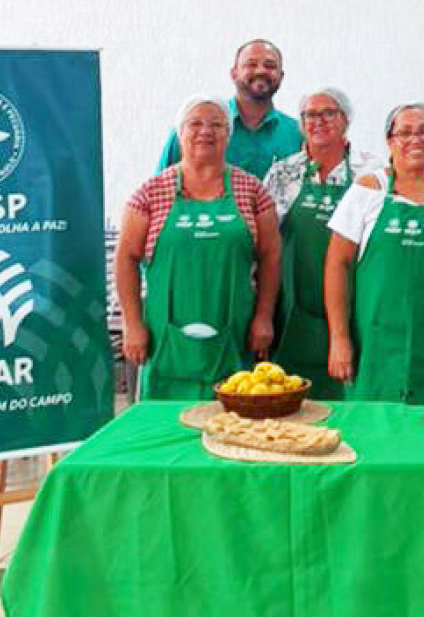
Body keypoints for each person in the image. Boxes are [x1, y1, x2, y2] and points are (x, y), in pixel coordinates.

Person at [116, 96, 280, 400]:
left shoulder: (252, 190)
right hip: (164, 340)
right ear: (180, 134)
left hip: (234, 334)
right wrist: (132, 324)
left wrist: (264, 316)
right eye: (196, 124)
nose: (206, 131)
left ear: (228, 135)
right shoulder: (150, 193)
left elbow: (271, 257)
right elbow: (125, 258)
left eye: (217, 125)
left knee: (234, 426)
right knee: (164, 429)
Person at [324, 103, 424, 403]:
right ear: (389, 140)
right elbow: (336, 264)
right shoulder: (369, 189)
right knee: (373, 425)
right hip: (375, 336)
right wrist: (339, 338)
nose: (415, 140)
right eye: (404, 133)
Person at [262, 87, 381, 399]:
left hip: (355, 304)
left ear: (346, 120)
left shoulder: (371, 173)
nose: (319, 121)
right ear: (300, 124)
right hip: (292, 308)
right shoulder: (283, 173)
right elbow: (264, 243)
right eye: (310, 115)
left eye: (330, 113)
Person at [157, 40, 302, 180]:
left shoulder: (298, 134)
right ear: (234, 74)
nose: (260, 70)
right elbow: (159, 190)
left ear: (281, 77)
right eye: (251, 64)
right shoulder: (192, 130)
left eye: (270, 66)